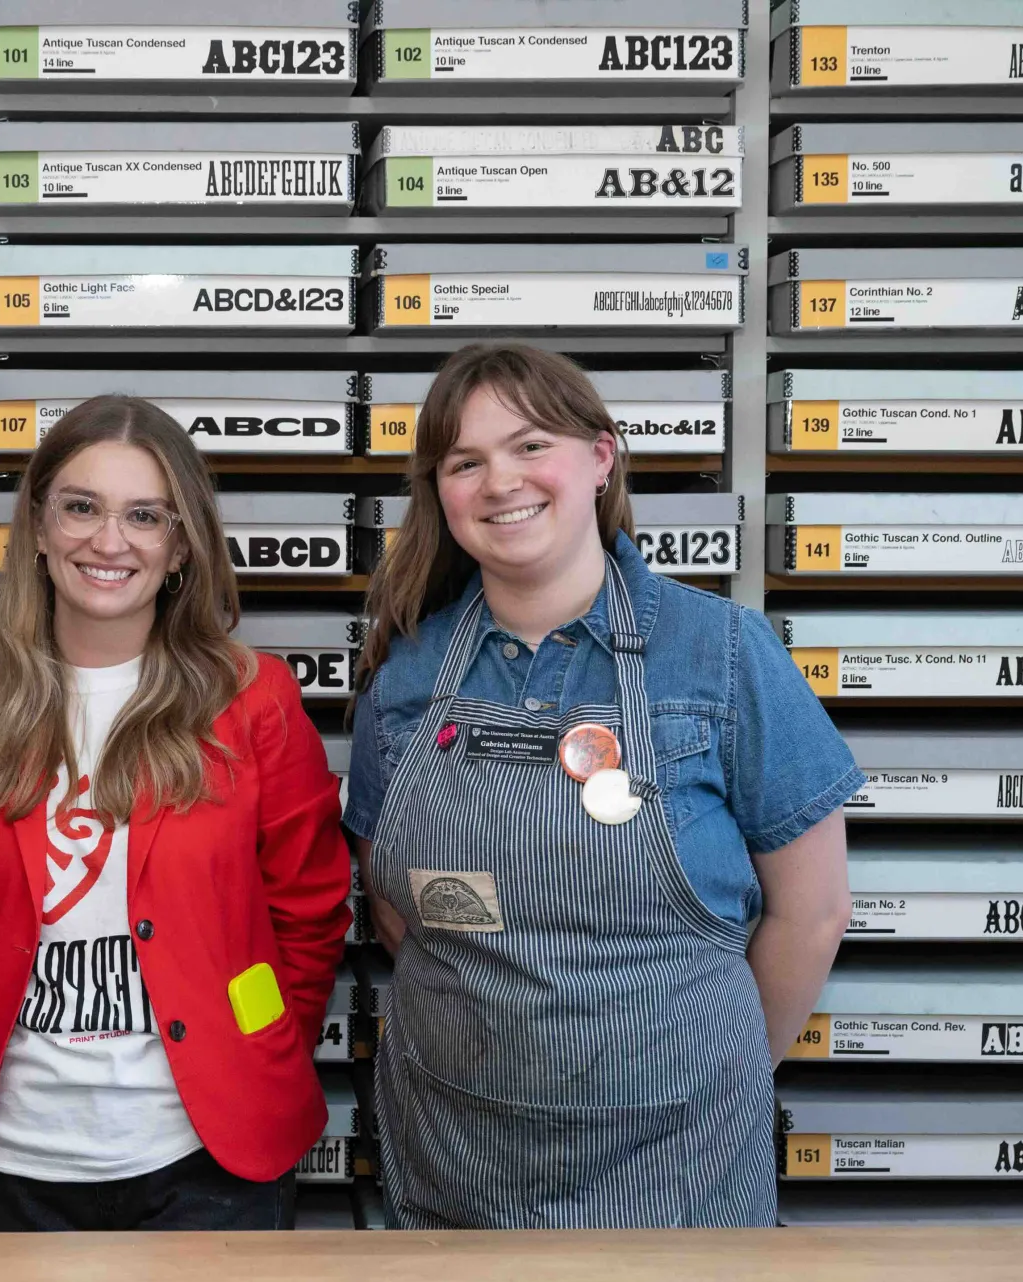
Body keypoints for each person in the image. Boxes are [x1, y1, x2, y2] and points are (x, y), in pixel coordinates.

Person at [346, 344, 858, 1229]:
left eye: (530, 444)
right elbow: (399, 912)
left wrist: (711, 1071)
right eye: (465, 462)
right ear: (442, 493)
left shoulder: (724, 652)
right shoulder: (405, 673)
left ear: (600, 457)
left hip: (681, 1158)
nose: (500, 480)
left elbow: (812, 913)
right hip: (459, 1151)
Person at [0, 396, 350, 1231]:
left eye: (145, 515)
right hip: (14, 1161)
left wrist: (248, 1037)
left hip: (209, 1160)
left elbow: (310, 909)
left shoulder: (255, 703)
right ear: (36, 527)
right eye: (81, 507)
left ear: (180, 547)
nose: (110, 541)